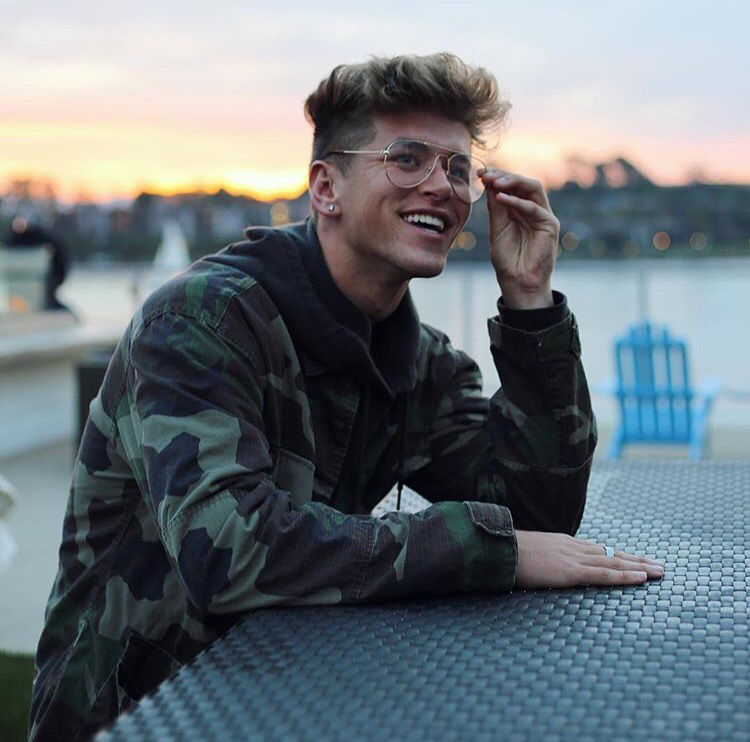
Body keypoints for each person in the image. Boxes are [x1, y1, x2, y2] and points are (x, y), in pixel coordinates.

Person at [29, 53, 664, 740]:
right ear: (326, 188)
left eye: (458, 169)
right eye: (407, 159)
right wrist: (480, 548)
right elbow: (228, 550)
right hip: (134, 713)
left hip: (289, 695)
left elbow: (537, 517)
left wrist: (531, 304)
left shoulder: (416, 361)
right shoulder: (198, 322)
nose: (443, 186)